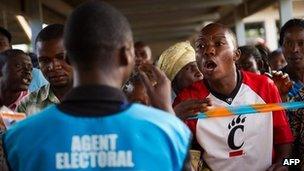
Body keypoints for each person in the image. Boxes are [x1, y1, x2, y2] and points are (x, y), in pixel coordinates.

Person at [2, 1, 191, 171]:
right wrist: (167, 114)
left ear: (68, 58)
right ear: (127, 56)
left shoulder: (20, 138)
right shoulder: (168, 133)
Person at [173, 23, 293, 171]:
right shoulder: (188, 99)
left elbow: (286, 146)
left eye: (218, 44)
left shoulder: (265, 86)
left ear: (236, 55)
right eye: (201, 46)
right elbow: (172, 157)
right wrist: (172, 119)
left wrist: (284, 165)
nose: (208, 51)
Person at [17, 24, 73, 115]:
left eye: (61, 57)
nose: (53, 66)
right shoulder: (26, 105)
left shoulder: (98, 99)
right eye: (44, 60)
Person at [279, 18, 304, 170]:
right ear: (281, 46)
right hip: (290, 163)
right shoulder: (272, 84)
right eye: (288, 43)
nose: (295, 49)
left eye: (302, 43)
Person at [157, 41, 204, 119]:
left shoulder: (208, 96)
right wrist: (174, 116)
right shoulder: (161, 106)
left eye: (198, 66)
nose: (199, 73)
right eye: (190, 69)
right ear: (174, 78)